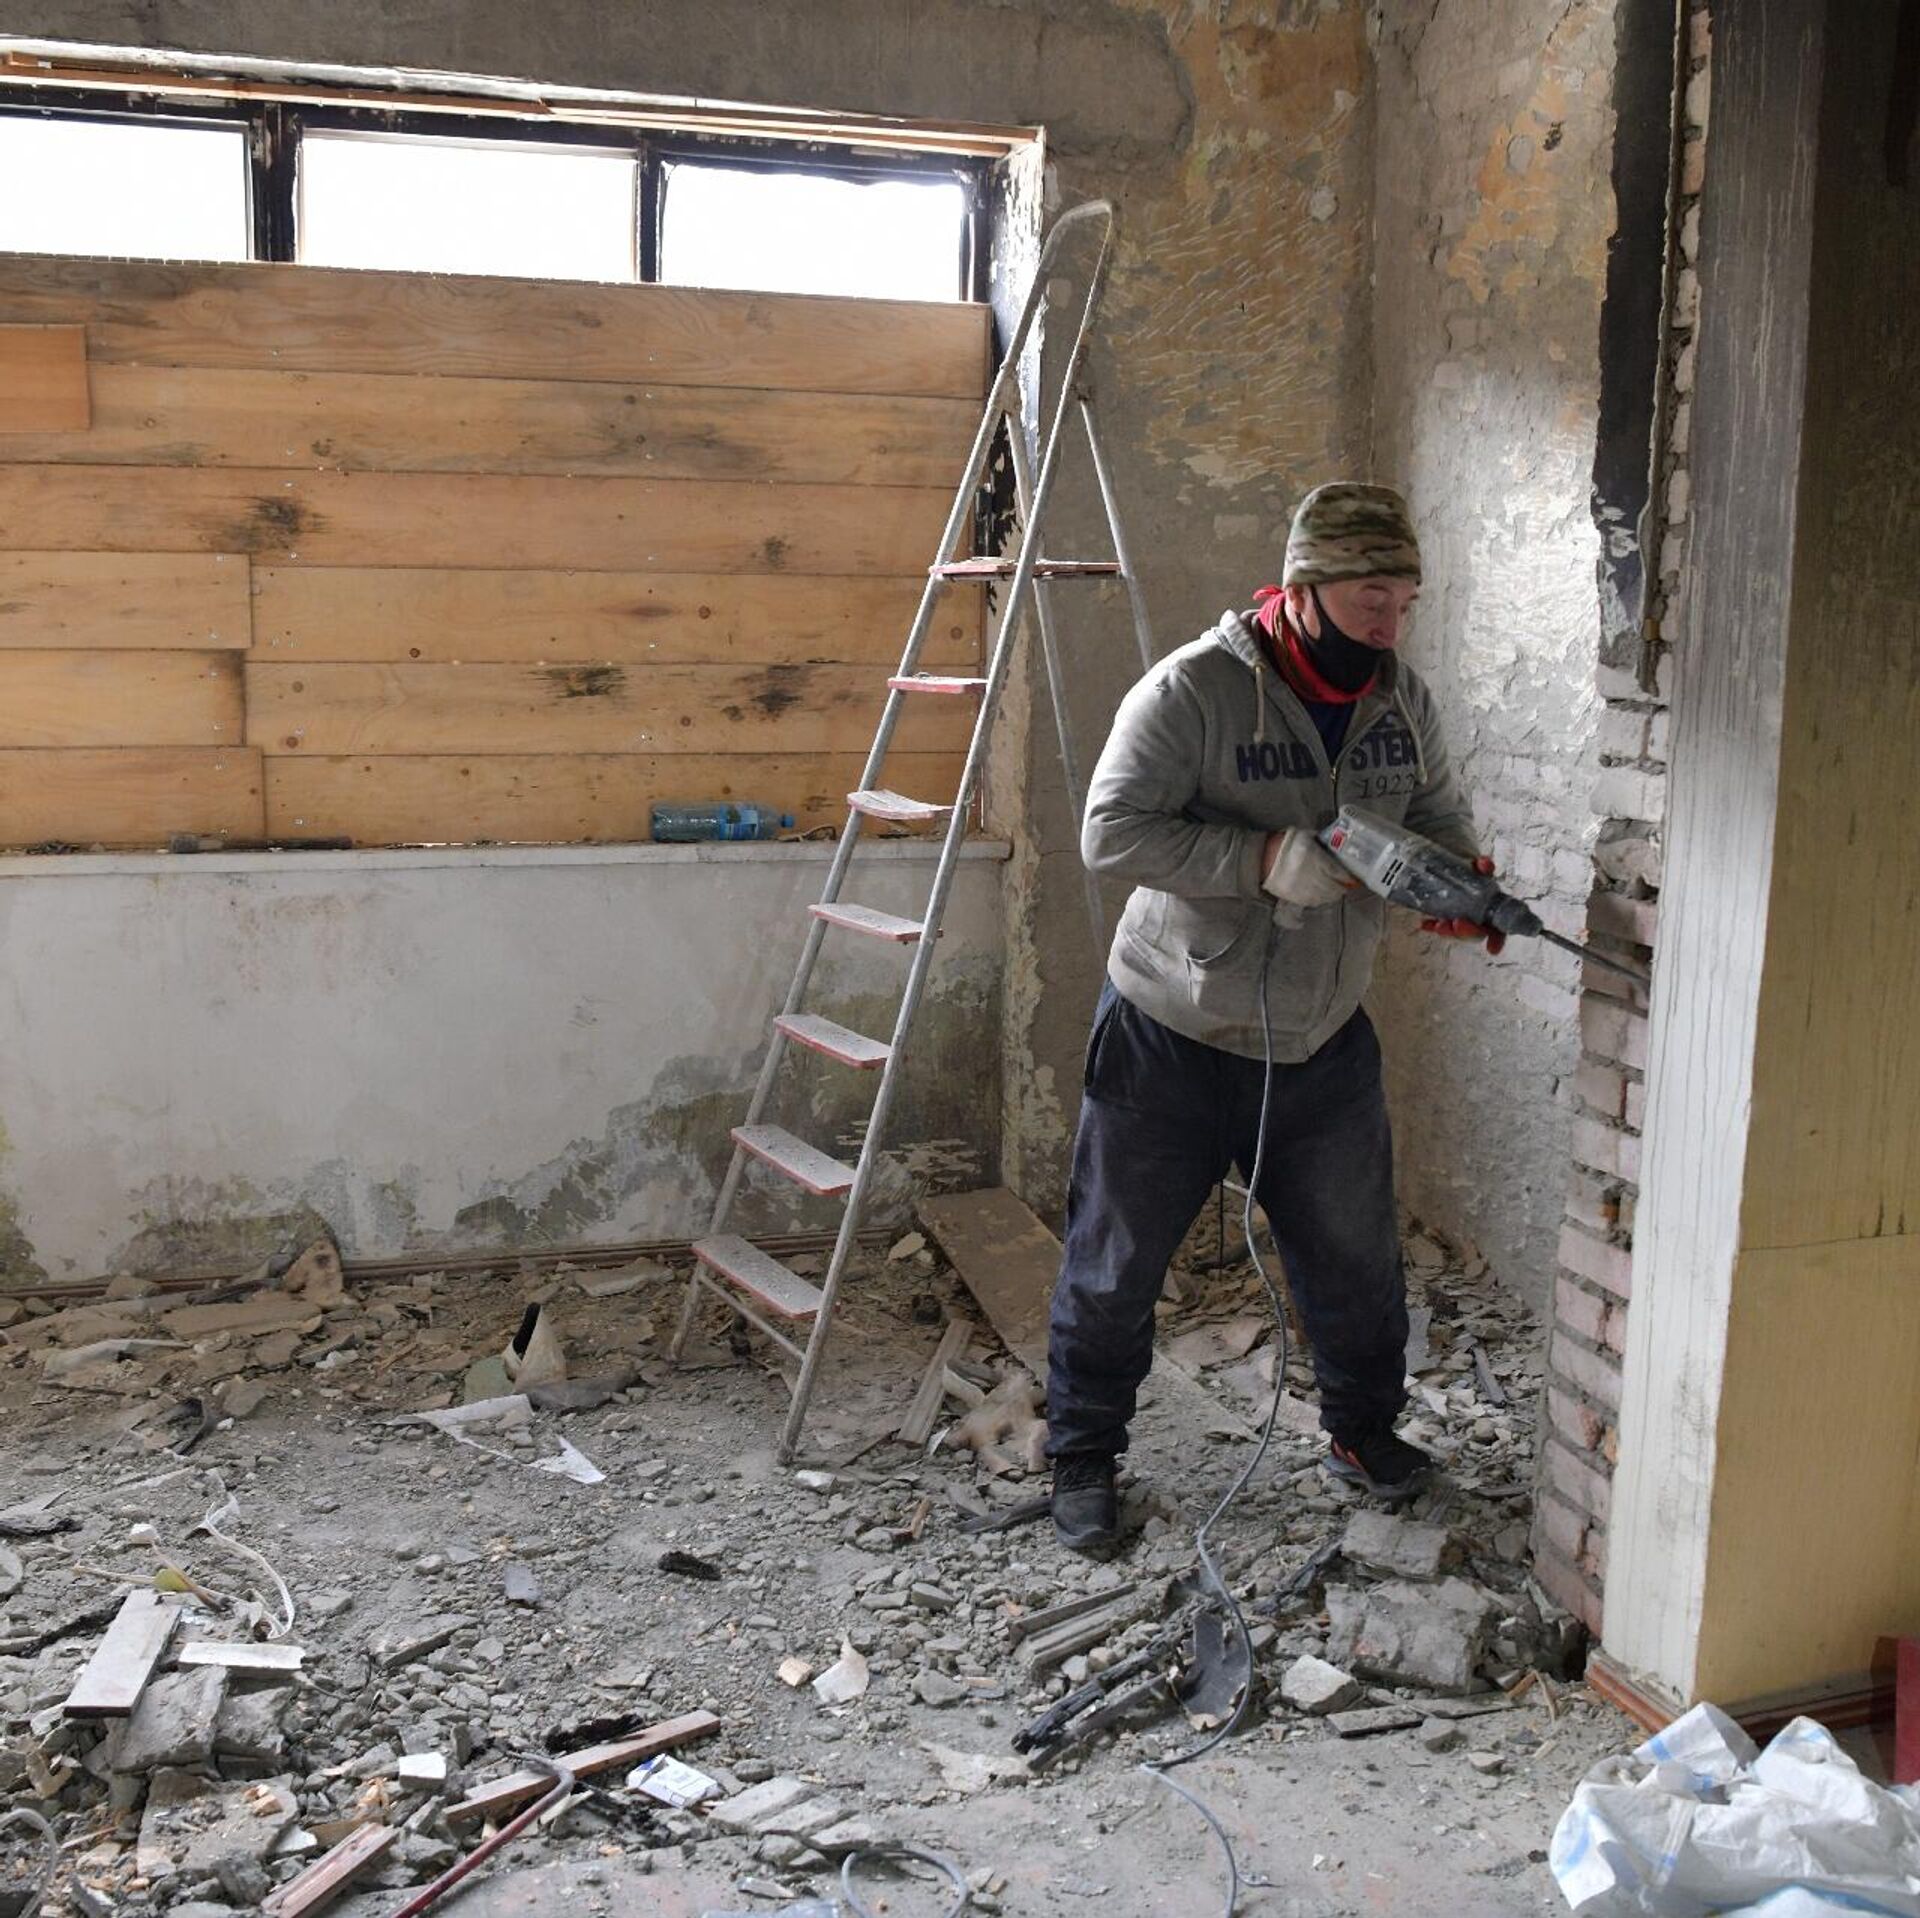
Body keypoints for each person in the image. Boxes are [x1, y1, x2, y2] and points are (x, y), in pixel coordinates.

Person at [1045, 481, 1502, 1555]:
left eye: (1404, 602)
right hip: (1171, 1031)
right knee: (1114, 1265)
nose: (1388, 626)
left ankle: (1363, 1435)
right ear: (1300, 590)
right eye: (1368, 599)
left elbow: (1436, 817)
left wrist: (1455, 884)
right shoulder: (1194, 691)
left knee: (1355, 1261)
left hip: (1320, 1037)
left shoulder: (1401, 701)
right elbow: (1110, 833)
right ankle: (1083, 1455)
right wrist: (1258, 859)